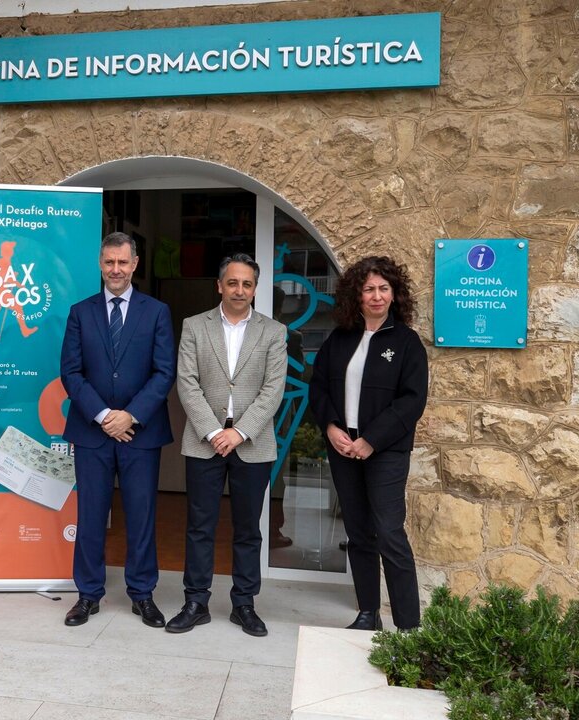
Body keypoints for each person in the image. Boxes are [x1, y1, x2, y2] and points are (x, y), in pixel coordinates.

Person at [59, 231, 176, 628]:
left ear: (135, 264)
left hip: (141, 433)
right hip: (92, 432)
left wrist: (131, 416)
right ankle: (88, 595)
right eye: (109, 262)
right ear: (100, 263)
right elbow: (71, 372)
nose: (115, 269)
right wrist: (104, 416)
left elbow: (164, 372)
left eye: (122, 262)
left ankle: (142, 594)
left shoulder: (156, 312)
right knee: (90, 516)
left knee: (141, 516)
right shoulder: (81, 312)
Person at [169, 253, 287, 637]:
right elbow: (187, 383)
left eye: (247, 284)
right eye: (232, 283)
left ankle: (244, 604)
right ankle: (195, 602)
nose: (239, 290)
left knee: (248, 529)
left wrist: (239, 432)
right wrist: (212, 431)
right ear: (219, 285)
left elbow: (273, 390)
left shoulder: (274, 332)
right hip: (204, 442)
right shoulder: (194, 326)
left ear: (255, 289)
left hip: (252, 442)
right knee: (199, 526)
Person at [308, 255, 428, 631]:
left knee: (389, 533)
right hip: (344, 448)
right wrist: (331, 427)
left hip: (385, 451)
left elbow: (412, 401)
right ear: (356, 295)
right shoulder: (339, 339)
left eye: (383, 289)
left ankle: (408, 625)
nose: (376, 296)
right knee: (358, 533)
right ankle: (367, 613)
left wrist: (371, 440)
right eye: (369, 289)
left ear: (394, 294)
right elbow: (319, 387)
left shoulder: (407, 343)